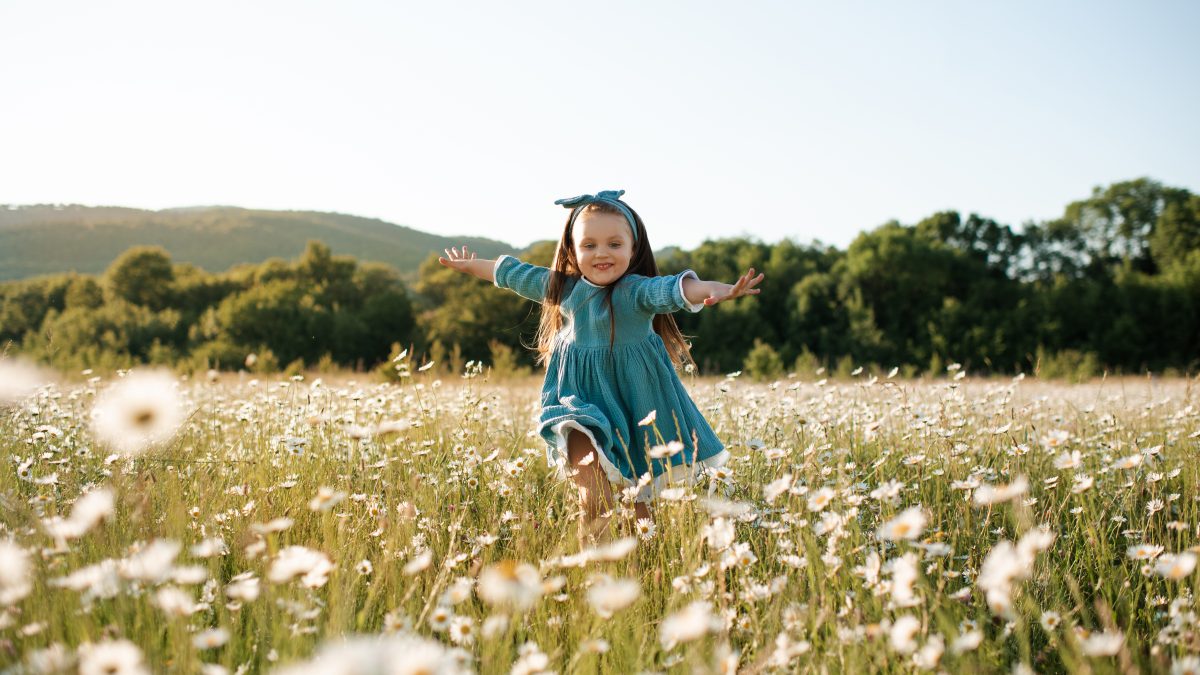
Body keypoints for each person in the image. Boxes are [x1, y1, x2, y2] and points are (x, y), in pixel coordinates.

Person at [438, 189, 763, 543]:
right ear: (573, 251)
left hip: (636, 408)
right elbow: (513, 273)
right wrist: (470, 266)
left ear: (633, 248)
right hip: (576, 405)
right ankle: (588, 573)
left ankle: (634, 580)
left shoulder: (637, 292)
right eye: (589, 245)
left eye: (614, 244)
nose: (602, 253)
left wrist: (725, 290)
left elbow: (679, 289)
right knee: (594, 499)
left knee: (640, 515)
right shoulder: (563, 288)